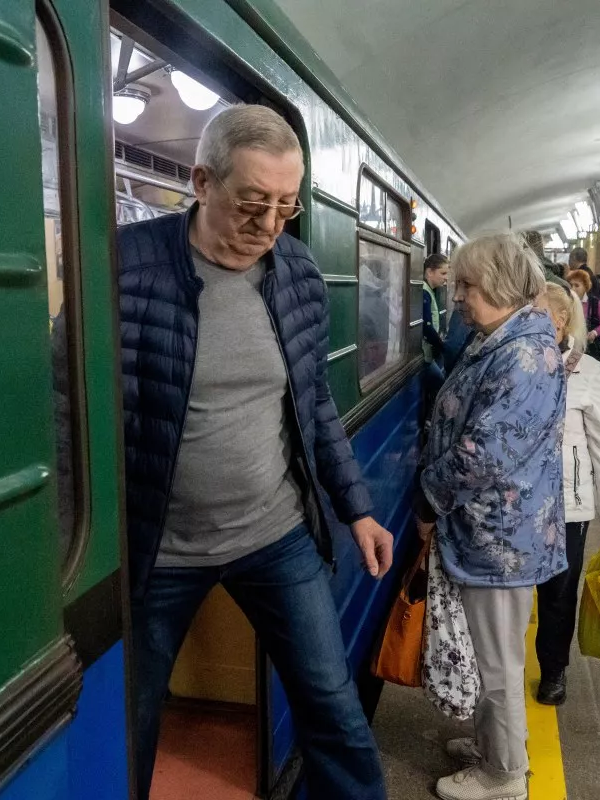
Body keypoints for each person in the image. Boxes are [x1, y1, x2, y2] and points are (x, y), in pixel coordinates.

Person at [117, 104, 393, 800]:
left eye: (285, 206)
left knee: (333, 706)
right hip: (158, 551)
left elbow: (313, 401)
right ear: (201, 181)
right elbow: (69, 411)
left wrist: (357, 508)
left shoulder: (295, 270)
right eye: (251, 203)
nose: (269, 226)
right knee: (129, 726)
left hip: (275, 535)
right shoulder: (125, 265)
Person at [413, 233, 566, 800]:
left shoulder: (523, 356)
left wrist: (429, 497)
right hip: (491, 528)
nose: (457, 297)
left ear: (500, 285)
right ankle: (494, 744)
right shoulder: (503, 339)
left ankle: (503, 776)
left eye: (467, 286)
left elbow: (486, 452)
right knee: (489, 652)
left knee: (497, 661)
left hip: (501, 537)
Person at [533, 284, 600, 704]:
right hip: (520, 502)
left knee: (559, 592)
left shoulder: (587, 371)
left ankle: (554, 669)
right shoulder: (515, 362)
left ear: (561, 320)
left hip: (569, 504)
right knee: (514, 593)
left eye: (537, 313)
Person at [422, 253, 450, 401]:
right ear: (429, 272)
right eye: (443, 273)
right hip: (424, 355)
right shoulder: (424, 292)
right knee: (440, 384)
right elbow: (426, 327)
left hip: (427, 352)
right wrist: (442, 346)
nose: (446, 278)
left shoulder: (428, 291)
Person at [566, 269, 600, 344]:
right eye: (571, 285)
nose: (572, 289)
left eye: (577, 285)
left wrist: (595, 332)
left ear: (585, 287)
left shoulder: (596, 303)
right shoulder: (565, 301)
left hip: (590, 346)